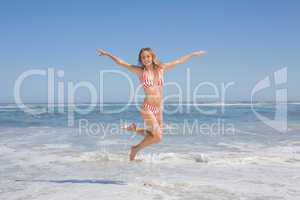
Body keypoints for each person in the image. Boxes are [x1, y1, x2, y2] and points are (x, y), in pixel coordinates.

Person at [96, 47, 206, 160]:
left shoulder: (161, 68)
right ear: (141, 60)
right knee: (157, 137)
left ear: (152, 57)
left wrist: (192, 54)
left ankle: (134, 129)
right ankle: (135, 149)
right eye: (143, 57)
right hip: (147, 107)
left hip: (159, 108)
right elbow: (122, 63)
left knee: (155, 136)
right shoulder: (140, 71)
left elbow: (178, 61)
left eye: (148, 56)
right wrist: (108, 54)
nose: (146, 59)